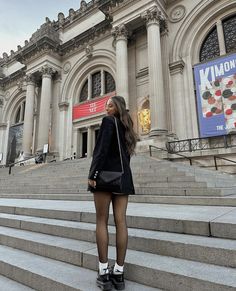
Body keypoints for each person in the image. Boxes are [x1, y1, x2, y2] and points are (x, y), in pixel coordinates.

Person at [88, 96, 137, 291]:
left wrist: (93, 174)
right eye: (106, 105)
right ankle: (119, 272)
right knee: (121, 222)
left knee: (101, 220)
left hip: (105, 178)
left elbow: (100, 150)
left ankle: (103, 272)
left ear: (117, 108)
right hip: (123, 178)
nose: (106, 108)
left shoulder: (108, 122)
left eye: (109, 105)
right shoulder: (128, 126)